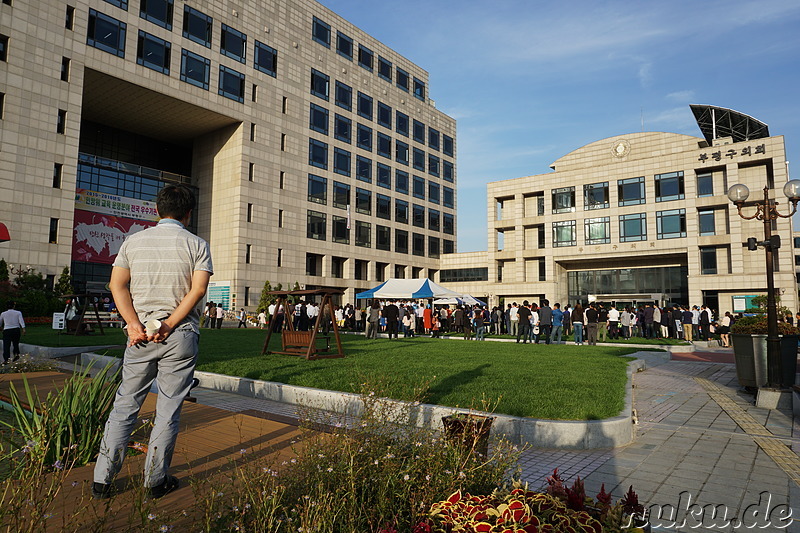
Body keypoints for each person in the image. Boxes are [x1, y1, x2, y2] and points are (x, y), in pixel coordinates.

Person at [93, 184, 213, 500]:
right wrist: (171, 324)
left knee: (125, 404)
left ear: (157, 210)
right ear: (189, 213)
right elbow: (198, 290)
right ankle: (155, 481)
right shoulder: (197, 244)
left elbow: (116, 285)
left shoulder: (133, 242)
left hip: (140, 336)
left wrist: (133, 325)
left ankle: (102, 480)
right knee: (168, 409)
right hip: (180, 334)